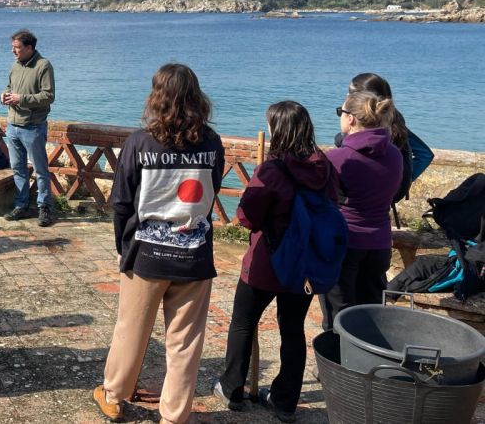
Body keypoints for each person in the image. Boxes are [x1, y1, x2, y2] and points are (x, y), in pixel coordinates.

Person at [93, 63, 225, 424]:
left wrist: (125, 245)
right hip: (194, 254)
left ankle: (114, 396)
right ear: (197, 98)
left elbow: (121, 202)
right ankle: (174, 415)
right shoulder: (212, 143)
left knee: (131, 329)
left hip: (146, 254)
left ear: (157, 97)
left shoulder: (140, 142)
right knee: (185, 342)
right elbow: (210, 192)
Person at [215, 101, 340, 422]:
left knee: (243, 321)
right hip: (304, 264)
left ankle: (232, 389)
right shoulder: (324, 167)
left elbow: (246, 215)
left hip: (266, 261)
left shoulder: (272, 170)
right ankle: (285, 401)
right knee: (293, 329)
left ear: (277, 130)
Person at [319, 90, 402, 331]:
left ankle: (337, 366)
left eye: (341, 112)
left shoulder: (338, 158)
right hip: (379, 243)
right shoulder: (395, 155)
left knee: (338, 316)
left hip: (345, 243)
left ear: (351, 118)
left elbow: (321, 200)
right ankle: (368, 363)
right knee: (372, 313)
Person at [340, 73, 434, 206]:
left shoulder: (370, 126)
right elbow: (425, 154)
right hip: (393, 190)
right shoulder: (395, 119)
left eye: (351, 92)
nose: (347, 96)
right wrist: (403, 179)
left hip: (373, 191)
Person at [0, 29, 56, 227]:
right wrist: (5, 95)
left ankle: (45, 208)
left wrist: (21, 99)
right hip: (13, 125)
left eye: (17, 48)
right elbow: (9, 87)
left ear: (29, 47)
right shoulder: (15, 66)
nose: (13, 51)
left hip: (33, 126)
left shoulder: (43, 65)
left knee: (40, 169)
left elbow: (48, 96)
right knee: (18, 169)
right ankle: (21, 205)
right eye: (12, 47)